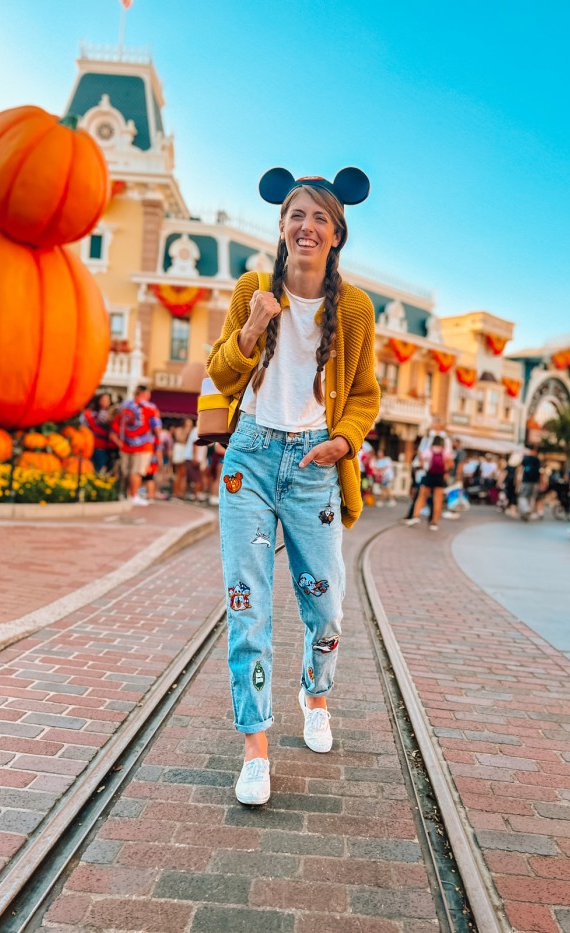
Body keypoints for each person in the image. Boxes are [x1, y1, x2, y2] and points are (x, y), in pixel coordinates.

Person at [206, 166, 379, 806]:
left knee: (326, 604)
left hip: (313, 465)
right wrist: (253, 325)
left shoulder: (354, 307)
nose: (306, 227)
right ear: (281, 227)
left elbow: (363, 394)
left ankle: (315, 693)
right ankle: (255, 747)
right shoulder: (252, 286)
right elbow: (221, 371)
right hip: (248, 455)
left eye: (320, 219)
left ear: (336, 234)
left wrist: (344, 441)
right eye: (296, 216)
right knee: (247, 605)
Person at [109, 385, 161, 506]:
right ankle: (133, 495)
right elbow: (157, 428)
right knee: (136, 472)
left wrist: (119, 443)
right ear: (145, 394)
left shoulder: (124, 406)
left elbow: (114, 428)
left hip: (125, 445)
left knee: (125, 472)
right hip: (142, 445)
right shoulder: (150, 407)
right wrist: (157, 443)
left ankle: (123, 494)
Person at [403, 435, 453, 530]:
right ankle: (434, 522)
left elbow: (422, 463)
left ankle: (415, 516)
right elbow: (450, 464)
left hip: (429, 475)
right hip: (440, 477)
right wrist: (445, 471)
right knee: (437, 500)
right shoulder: (446, 452)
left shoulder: (428, 450)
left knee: (422, 497)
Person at [81, 392, 117, 474]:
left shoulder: (110, 414)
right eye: (103, 400)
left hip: (102, 447)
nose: (105, 402)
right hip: (90, 444)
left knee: (100, 468)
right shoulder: (92, 413)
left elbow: (107, 427)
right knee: (89, 467)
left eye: (107, 400)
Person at [517, 444, 541, 521]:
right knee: (531, 497)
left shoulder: (525, 459)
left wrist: (518, 481)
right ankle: (528, 512)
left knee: (523, 496)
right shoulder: (537, 460)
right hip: (534, 482)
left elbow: (520, 468)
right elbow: (540, 472)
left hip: (526, 481)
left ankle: (526, 510)